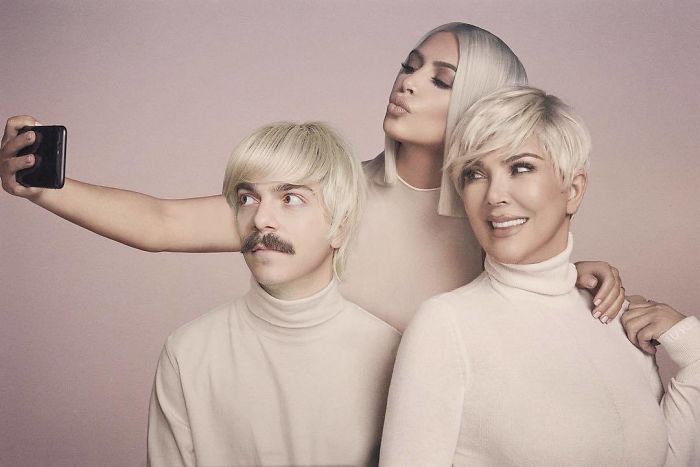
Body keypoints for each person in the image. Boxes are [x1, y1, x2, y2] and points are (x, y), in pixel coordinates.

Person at [0, 23, 624, 332]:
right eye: (408, 66)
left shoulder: (496, 221)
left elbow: (536, 300)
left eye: (440, 79)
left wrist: (582, 279)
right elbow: (163, 224)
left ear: (482, 101)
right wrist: (43, 188)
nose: (406, 83)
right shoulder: (332, 193)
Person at [379, 86, 700, 466]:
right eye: (475, 174)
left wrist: (691, 348)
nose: (494, 194)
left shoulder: (614, 318)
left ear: (573, 190)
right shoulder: (447, 325)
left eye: (520, 167)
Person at [147, 122, 400, 466]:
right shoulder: (188, 351)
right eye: (247, 198)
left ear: (340, 226)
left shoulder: (392, 354)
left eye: (290, 198)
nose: (261, 219)